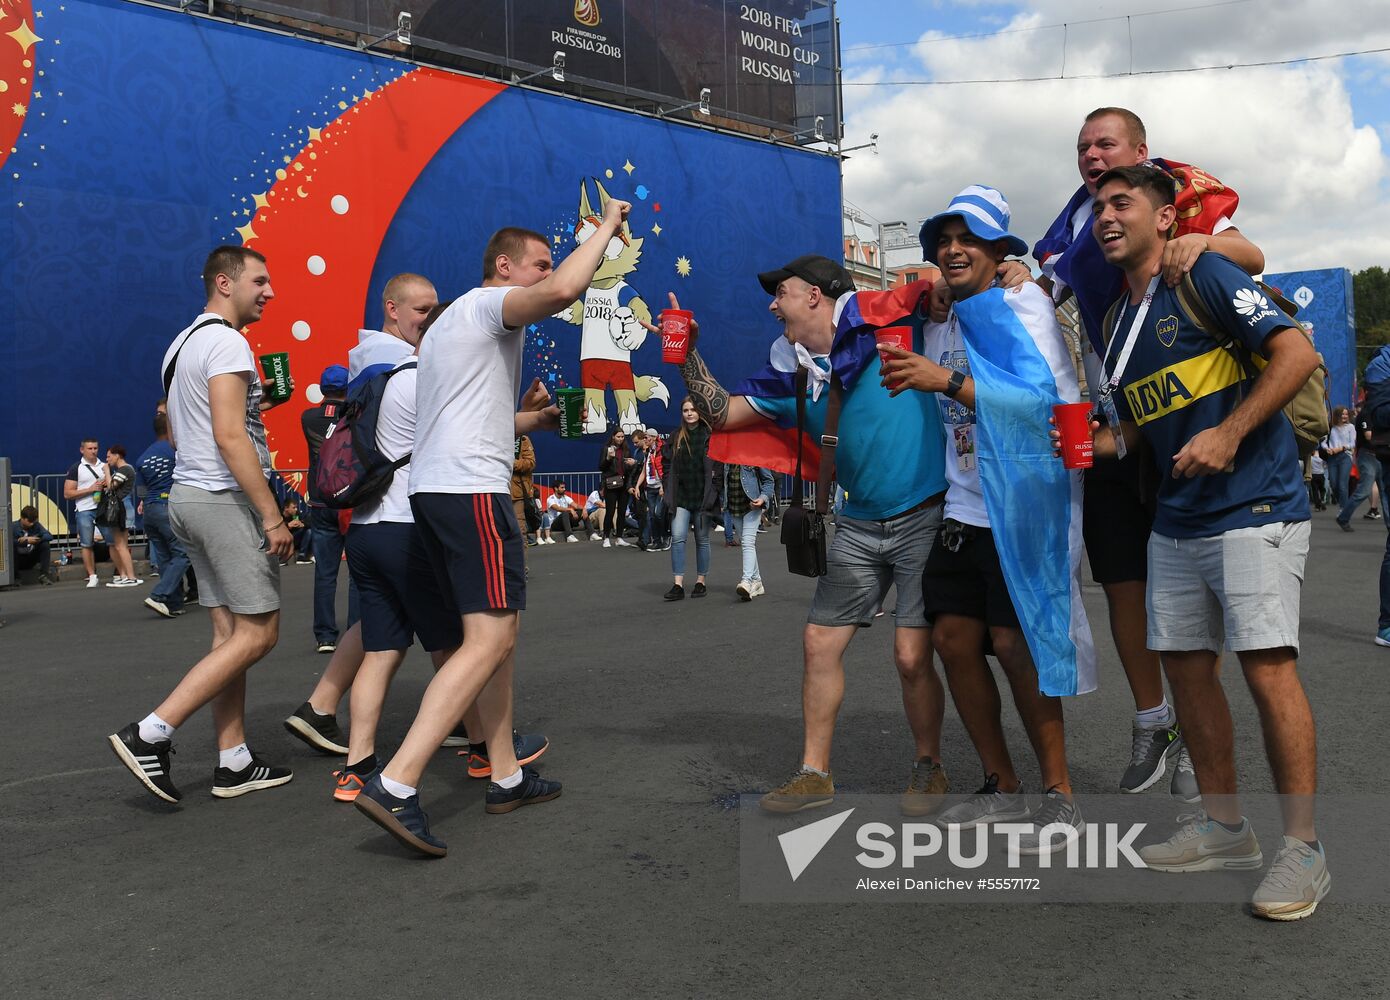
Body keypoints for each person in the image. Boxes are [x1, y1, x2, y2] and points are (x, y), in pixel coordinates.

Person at [353, 203, 632, 857]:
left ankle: (505, 773)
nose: (545, 278)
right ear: (503, 267)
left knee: (494, 638)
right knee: (490, 637)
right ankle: (396, 782)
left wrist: (527, 422)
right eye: (534, 265)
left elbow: (458, 416)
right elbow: (566, 288)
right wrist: (603, 230)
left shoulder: (452, 326)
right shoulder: (484, 306)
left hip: (435, 490)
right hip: (471, 491)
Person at [1085, 165, 1327, 920]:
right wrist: (1101, 445)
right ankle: (1226, 829)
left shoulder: (1207, 273)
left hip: (1256, 508)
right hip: (1178, 522)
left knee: (1267, 674)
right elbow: (1149, 422)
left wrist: (1229, 433)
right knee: (1189, 677)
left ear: (1166, 220)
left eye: (1122, 202)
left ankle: (1304, 849)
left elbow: (1297, 355)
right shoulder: (1117, 326)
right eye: (1097, 206)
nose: (1105, 214)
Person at [1027, 107, 1267, 799]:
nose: (1092, 156)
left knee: (1188, 593)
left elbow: (1251, 255)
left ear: (1140, 151)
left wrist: (1202, 248)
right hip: (1108, 425)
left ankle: (1193, 737)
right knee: (1123, 585)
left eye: (1106, 144)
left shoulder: (1172, 194)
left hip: (1174, 422)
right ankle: (1153, 719)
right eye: (1082, 148)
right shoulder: (1075, 221)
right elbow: (1042, 296)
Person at [670, 253, 957, 816]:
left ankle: (929, 767)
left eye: (782, 292)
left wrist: (966, 283)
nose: (773, 304)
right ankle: (813, 773)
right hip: (857, 523)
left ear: (815, 297)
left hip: (924, 513)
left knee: (909, 654)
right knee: (818, 642)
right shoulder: (793, 372)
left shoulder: (891, 322)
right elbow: (722, 415)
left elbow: (946, 291)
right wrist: (685, 354)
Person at [884, 185, 1094, 852]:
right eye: (943, 239)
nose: (952, 249)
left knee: (1015, 645)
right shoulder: (940, 315)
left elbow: (1051, 406)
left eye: (967, 239)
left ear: (999, 250)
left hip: (1023, 503)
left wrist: (946, 382)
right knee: (951, 641)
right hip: (961, 506)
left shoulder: (1021, 302)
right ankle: (1002, 786)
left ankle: (1058, 793)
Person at [107, 244, 298, 804]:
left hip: (189, 498)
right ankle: (150, 733)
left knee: (228, 637)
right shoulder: (227, 341)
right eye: (259, 281)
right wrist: (272, 516)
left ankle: (233, 759)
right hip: (220, 500)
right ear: (224, 282)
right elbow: (229, 434)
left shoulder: (181, 344)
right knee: (260, 633)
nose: (270, 292)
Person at [302, 363, 350, 652]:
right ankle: (359, 627)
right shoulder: (354, 415)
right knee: (360, 571)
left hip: (320, 499)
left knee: (325, 572)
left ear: (322, 389)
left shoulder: (307, 416)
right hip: (348, 499)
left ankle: (325, 635)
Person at [137, 413, 193, 617]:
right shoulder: (175, 450)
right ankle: (158, 595)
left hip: (150, 510)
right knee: (184, 553)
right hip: (167, 505)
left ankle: (174, 603)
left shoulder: (143, 457)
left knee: (164, 558)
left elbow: (141, 491)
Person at [662, 398, 715, 598]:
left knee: (702, 539)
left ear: (700, 411)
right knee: (677, 538)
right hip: (681, 497)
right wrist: (667, 487)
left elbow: (717, 466)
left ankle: (700, 581)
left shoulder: (709, 436)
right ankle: (678, 585)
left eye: (693, 409)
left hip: (703, 497)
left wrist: (714, 491)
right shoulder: (676, 436)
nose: (690, 413)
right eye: (685, 410)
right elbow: (667, 465)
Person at [347, 274, 439, 386]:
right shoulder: (388, 359)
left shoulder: (372, 351)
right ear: (393, 310)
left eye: (435, 311)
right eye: (422, 310)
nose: (432, 319)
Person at [720, 463, 774, 600]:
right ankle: (757, 581)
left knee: (748, 543)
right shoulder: (728, 456)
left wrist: (762, 498)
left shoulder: (754, 454)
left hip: (752, 505)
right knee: (746, 543)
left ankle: (746, 581)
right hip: (734, 506)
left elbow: (768, 481)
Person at [63, 438, 108, 588]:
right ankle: (92, 576)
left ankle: (122, 574)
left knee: (113, 541)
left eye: (95, 448)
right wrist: (91, 489)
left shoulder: (105, 466)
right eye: (90, 448)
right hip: (84, 510)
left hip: (104, 508)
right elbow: (67, 494)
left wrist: (107, 485)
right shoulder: (77, 468)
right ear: (82, 450)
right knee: (86, 543)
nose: (93, 451)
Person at [100, 445, 141, 587]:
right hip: (124, 507)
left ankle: (130, 576)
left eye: (109, 456)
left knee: (120, 545)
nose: (107, 460)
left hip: (121, 509)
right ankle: (125, 576)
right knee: (121, 545)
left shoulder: (124, 469)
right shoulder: (126, 469)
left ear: (117, 455)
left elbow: (112, 486)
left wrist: (106, 472)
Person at [1335, 406, 1381, 530]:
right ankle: (1343, 516)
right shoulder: (1366, 412)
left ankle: (1378, 514)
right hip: (1367, 456)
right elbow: (1368, 435)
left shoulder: (1381, 411)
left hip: (1381, 455)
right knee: (1363, 490)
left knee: (1385, 492)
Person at [598, 428, 637, 547]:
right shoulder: (607, 449)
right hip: (611, 483)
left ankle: (619, 537)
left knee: (622, 512)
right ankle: (606, 537)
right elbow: (601, 467)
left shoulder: (626, 450)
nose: (620, 439)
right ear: (613, 437)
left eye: (622, 437)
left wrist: (632, 464)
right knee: (609, 511)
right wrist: (609, 458)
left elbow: (629, 469)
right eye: (618, 436)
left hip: (624, 484)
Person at [636, 429, 668, 551]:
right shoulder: (648, 452)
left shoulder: (663, 450)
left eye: (646, 437)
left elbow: (666, 469)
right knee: (651, 515)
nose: (644, 440)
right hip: (650, 488)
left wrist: (663, 486)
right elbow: (644, 471)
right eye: (644, 438)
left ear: (654, 437)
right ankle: (656, 541)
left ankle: (666, 535)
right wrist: (638, 486)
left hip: (660, 487)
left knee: (658, 513)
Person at [12, 506, 55, 584]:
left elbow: (49, 536)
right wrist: (25, 541)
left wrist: (36, 539)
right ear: (22, 518)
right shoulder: (13, 527)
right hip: (18, 560)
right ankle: (16, 577)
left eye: (33, 521)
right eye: (29, 521)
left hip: (31, 558)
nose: (32, 524)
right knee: (12, 547)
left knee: (45, 544)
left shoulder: (36, 525)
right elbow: (8, 542)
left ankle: (43, 575)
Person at [1325, 407, 1355, 506]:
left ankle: (1343, 509)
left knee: (1342, 485)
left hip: (1345, 456)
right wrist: (1327, 449)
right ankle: (1342, 502)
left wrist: (1342, 448)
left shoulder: (1350, 427)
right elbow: (1323, 442)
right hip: (1332, 457)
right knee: (1333, 484)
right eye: (1342, 414)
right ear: (1337, 415)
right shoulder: (1331, 427)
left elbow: (1353, 443)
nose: (1344, 416)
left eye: (1346, 414)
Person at [281, 497, 311, 563]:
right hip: (284, 541)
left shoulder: (296, 514)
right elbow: (276, 530)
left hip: (295, 539)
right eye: (293, 508)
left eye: (296, 507)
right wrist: (288, 525)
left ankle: (301, 556)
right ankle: (280, 558)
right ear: (286, 508)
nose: (296, 509)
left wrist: (303, 524)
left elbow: (306, 523)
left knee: (309, 531)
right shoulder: (280, 516)